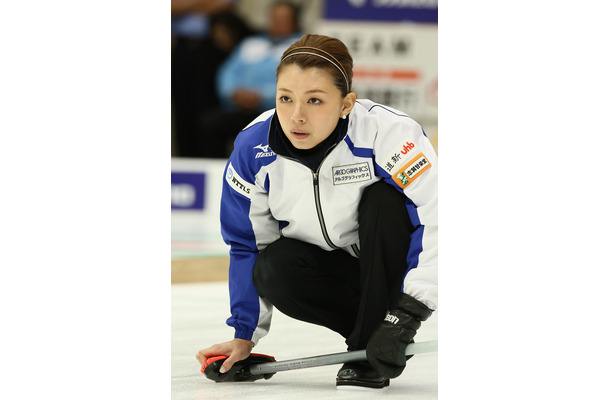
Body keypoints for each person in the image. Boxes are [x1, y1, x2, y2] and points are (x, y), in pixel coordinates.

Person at [196, 33, 438, 389]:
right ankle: (372, 337)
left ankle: (378, 335)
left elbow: (439, 217)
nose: (296, 116)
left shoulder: (387, 133)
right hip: (332, 271)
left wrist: (407, 314)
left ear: (346, 104)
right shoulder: (253, 149)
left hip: (388, 268)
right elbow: (247, 244)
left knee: (383, 202)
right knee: (273, 267)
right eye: (285, 98)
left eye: (315, 100)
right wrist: (244, 336)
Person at [198, 1, 302, 158]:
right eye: (274, 19)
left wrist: (262, 96)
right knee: (209, 123)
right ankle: (218, 171)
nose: (277, 23)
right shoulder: (250, 43)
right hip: (239, 106)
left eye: (283, 20)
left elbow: (299, 83)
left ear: (294, 22)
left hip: (275, 111)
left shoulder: (301, 47)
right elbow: (227, 72)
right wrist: (233, 93)